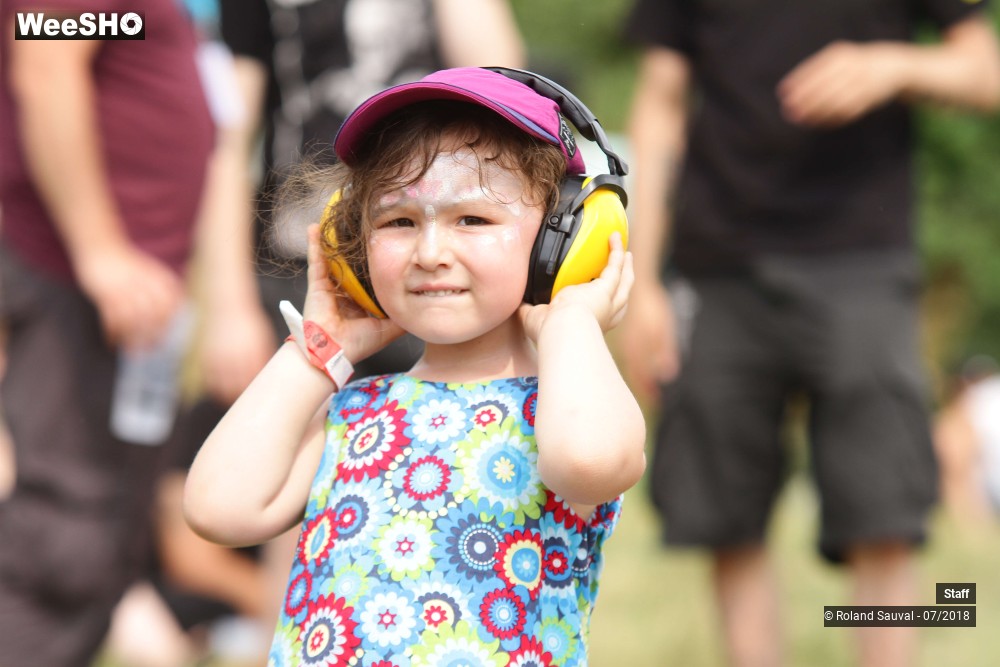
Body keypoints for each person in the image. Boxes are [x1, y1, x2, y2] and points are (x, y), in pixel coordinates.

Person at [183, 66, 646, 666]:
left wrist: (572, 321)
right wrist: (321, 348)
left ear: (561, 239)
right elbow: (218, 507)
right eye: (398, 222)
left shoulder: (565, 408)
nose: (430, 253)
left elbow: (589, 463)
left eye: (473, 221)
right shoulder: (352, 411)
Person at [621, 2, 1000, 666]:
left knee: (883, 511)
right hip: (718, 262)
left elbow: (986, 71)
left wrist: (894, 65)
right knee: (727, 518)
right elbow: (660, 100)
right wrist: (645, 277)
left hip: (862, 258)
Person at [0, 1, 215, 665]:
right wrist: (101, 251)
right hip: (64, 276)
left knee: (101, 538)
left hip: (116, 298)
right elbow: (44, 64)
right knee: (57, 540)